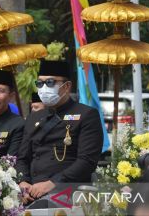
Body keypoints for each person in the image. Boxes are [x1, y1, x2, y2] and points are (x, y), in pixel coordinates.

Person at [16, 60, 103, 206]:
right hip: (30, 192)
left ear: (67, 86)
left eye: (50, 82)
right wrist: (23, 182)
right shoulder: (35, 116)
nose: (44, 88)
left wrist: (52, 183)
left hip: (66, 191)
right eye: (40, 83)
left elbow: (87, 161)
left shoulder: (86, 114)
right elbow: (23, 158)